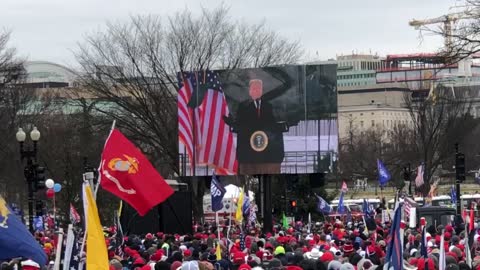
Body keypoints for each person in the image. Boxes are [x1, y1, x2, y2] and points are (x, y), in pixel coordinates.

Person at [224, 79, 288, 175]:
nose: (256, 91)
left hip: (269, 157)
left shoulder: (269, 106)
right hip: (248, 158)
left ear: (262, 91)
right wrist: (231, 123)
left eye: (258, 88)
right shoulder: (243, 107)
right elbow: (239, 126)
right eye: (254, 89)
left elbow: (274, 125)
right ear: (249, 91)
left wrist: (284, 125)